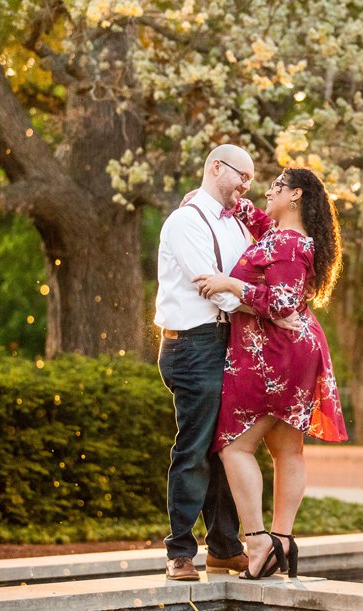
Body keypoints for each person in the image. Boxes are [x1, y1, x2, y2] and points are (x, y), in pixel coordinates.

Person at [193, 167, 348, 580]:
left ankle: (258, 539)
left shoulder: (289, 245)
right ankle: (282, 541)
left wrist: (230, 284)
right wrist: (226, 197)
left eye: (276, 186)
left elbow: (281, 304)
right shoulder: (288, 237)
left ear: (295, 195)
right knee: (286, 451)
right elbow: (264, 226)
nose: (267, 191)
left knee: (234, 447)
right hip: (289, 353)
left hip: (273, 356)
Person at [153, 144, 256, 581]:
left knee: (227, 449)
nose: (246, 186)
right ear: (217, 168)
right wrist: (263, 306)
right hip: (191, 346)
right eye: (242, 176)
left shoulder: (234, 225)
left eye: (252, 179)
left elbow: (253, 270)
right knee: (194, 449)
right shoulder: (184, 222)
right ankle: (179, 552)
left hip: (225, 341)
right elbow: (213, 287)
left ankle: (224, 548)